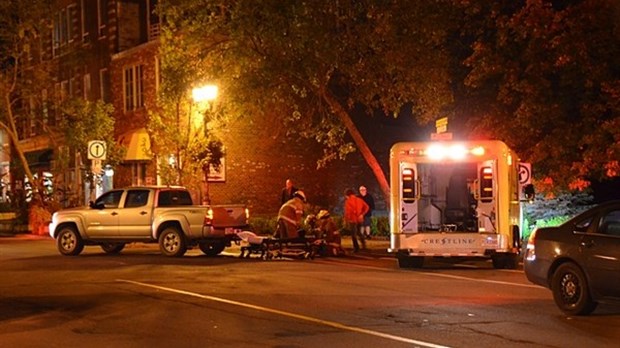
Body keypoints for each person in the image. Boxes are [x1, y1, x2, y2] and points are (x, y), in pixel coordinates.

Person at [343, 188, 369, 252]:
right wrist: (362, 214)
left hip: (352, 219)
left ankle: (356, 248)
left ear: (347, 195)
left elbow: (348, 212)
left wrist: (346, 220)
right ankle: (364, 246)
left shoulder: (348, 201)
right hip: (359, 219)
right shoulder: (359, 200)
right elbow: (367, 207)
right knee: (359, 233)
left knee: (353, 234)